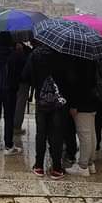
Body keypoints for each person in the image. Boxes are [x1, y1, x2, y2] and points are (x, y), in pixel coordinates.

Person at [25, 42, 66, 179]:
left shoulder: (35, 54)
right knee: (56, 132)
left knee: (41, 133)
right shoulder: (62, 55)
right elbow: (70, 77)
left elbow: (26, 75)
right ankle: (57, 167)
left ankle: (38, 165)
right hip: (58, 100)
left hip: (41, 99)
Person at [64, 57, 99, 177]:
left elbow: (79, 85)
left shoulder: (81, 61)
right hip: (92, 102)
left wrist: (73, 105)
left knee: (84, 135)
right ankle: (90, 163)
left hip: (82, 104)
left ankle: (83, 166)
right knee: (91, 133)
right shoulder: (94, 60)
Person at [11, 33, 33, 133]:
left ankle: (12, 124)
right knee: (20, 103)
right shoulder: (26, 50)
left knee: (13, 102)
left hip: (12, 80)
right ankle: (16, 126)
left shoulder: (8, 49)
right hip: (23, 81)